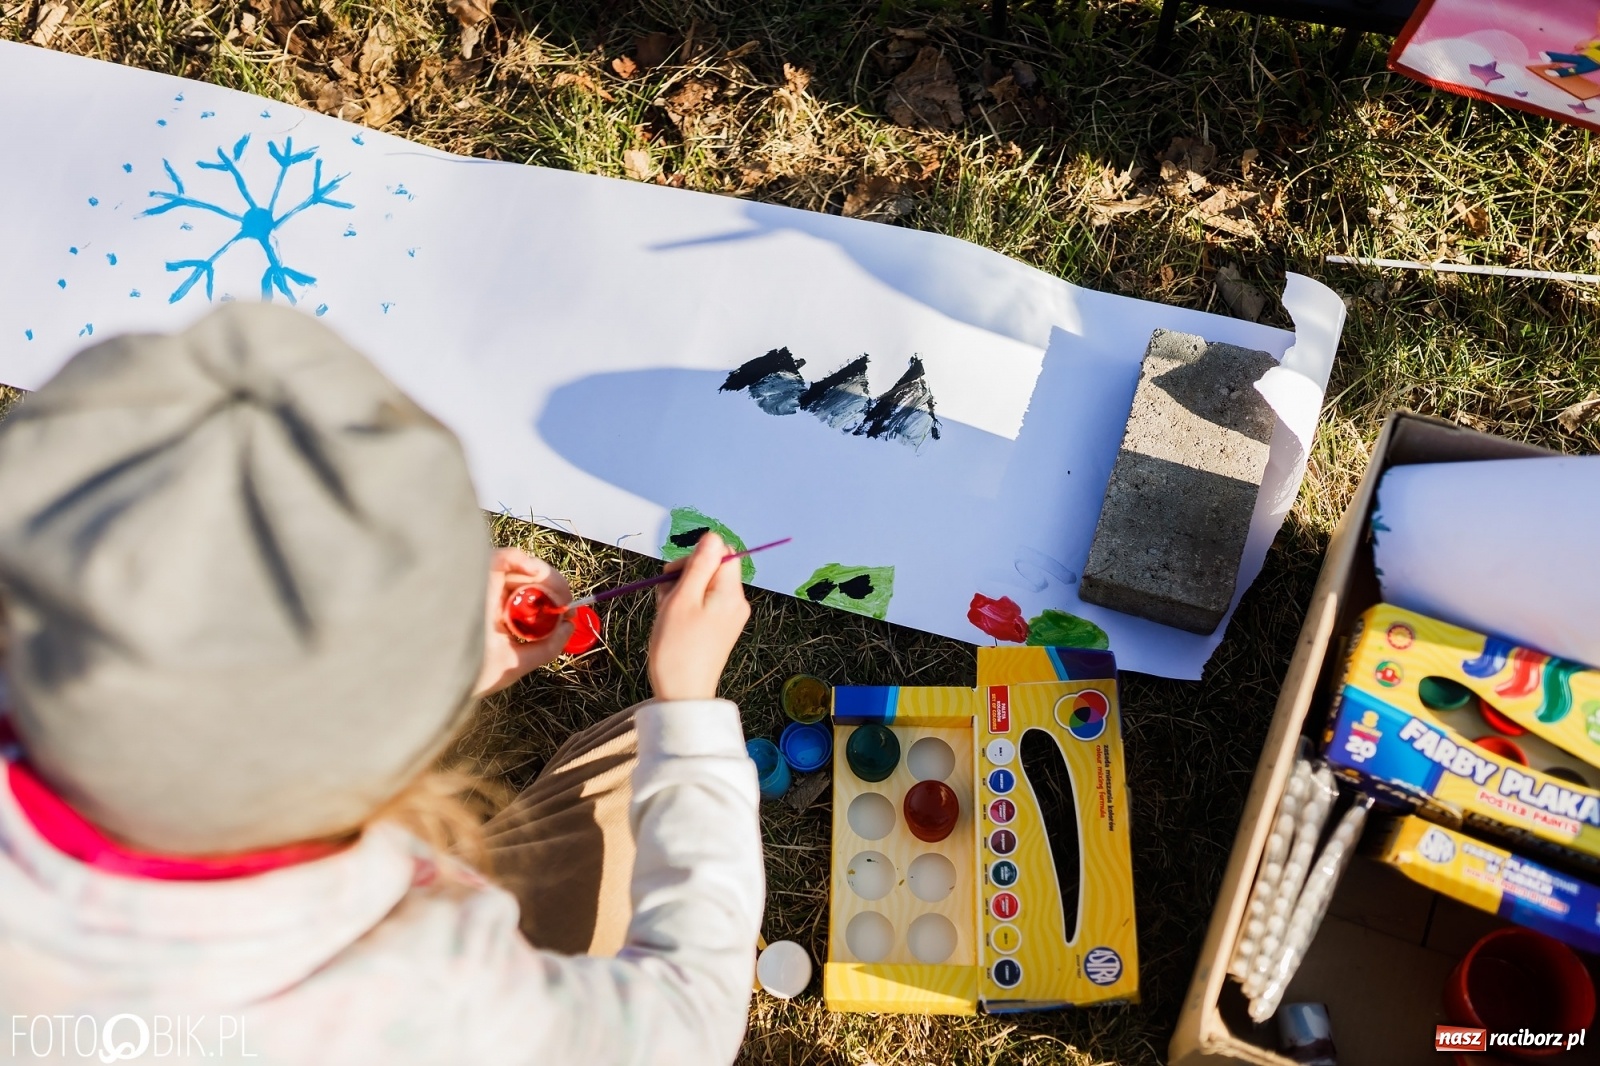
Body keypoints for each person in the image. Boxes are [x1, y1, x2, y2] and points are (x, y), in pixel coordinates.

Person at [0, 304, 764, 1064]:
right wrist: (689, 708)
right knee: (649, 766)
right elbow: (686, 1024)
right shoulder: (410, 994)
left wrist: (418, 654)